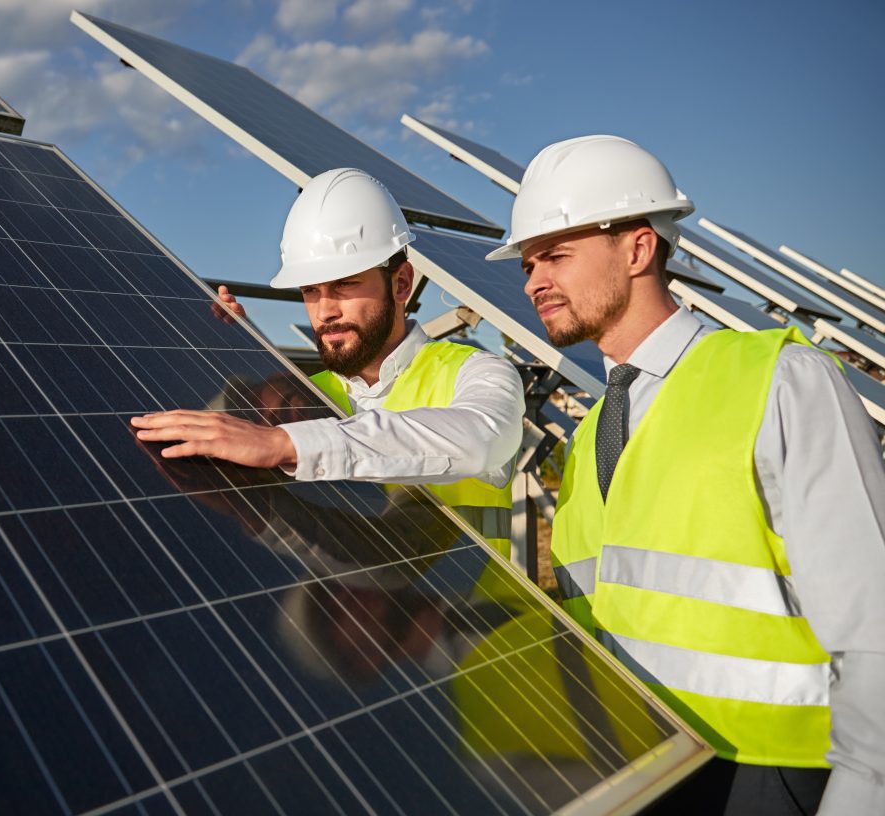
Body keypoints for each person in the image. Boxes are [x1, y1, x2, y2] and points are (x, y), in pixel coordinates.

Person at [487, 134, 885, 814]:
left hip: (773, 771)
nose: (532, 282)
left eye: (555, 255)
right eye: (528, 263)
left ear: (638, 249)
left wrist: (865, 790)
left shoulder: (781, 380)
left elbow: (871, 620)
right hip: (645, 765)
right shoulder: (590, 434)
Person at [131, 167, 525, 552]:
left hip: (473, 599)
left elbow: (485, 438)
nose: (325, 311)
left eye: (345, 284)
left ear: (402, 282)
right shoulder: (302, 396)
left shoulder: (477, 371)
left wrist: (287, 443)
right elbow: (209, 447)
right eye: (310, 290)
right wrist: (229, 348)